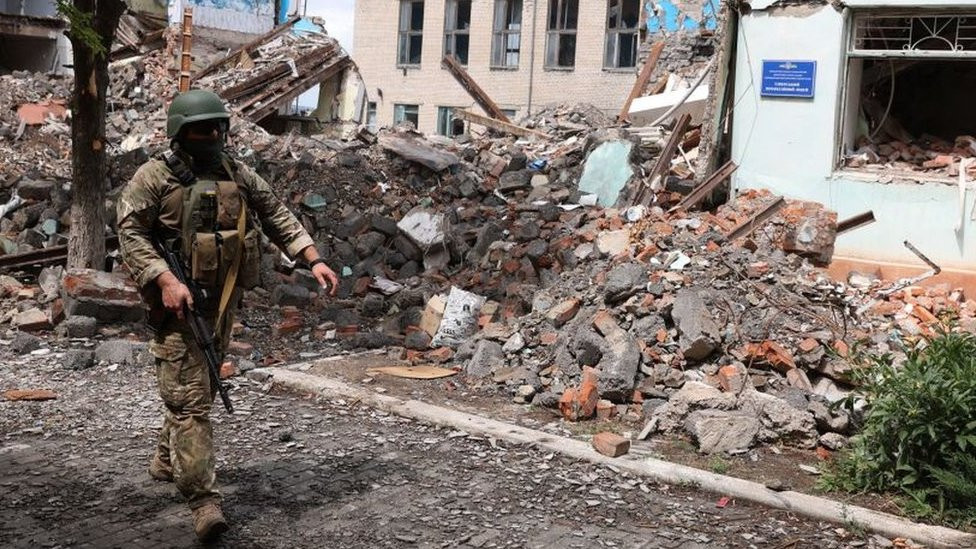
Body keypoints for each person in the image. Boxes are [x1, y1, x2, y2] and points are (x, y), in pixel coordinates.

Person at [116, 89, 338, 540]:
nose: (213, 136)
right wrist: (164, 279)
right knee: (191, 400)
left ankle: (167, 458)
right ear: (181, 133)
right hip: (178, 304)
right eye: (203, 130)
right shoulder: (153, 177)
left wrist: (311, 257)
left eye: (218, 128)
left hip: (221, 302)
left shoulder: (235, 172)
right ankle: (202, 501)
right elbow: (130, 232)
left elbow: (275, 213)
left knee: (197, 386)